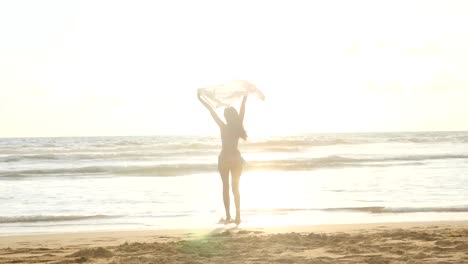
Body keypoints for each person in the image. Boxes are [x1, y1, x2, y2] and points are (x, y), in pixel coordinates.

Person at [198, 92, 248, 225]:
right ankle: (237, 217)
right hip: (236, 159)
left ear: (226, 117)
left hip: (225, 158)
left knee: (225, 187)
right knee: (235, 187)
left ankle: (227, 216)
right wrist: (244, 96)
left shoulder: (223, 126)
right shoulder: (238, 126)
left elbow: (211, 111)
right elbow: (243, 108)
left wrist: (200, 98)